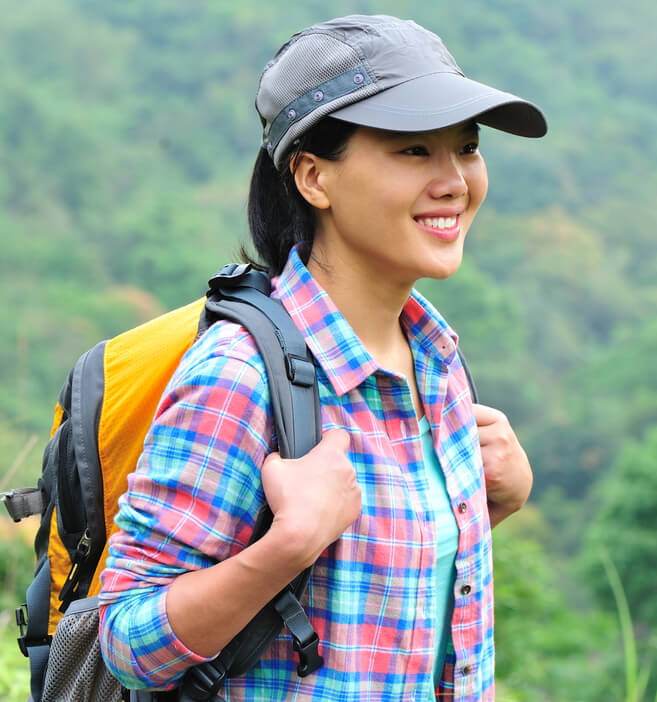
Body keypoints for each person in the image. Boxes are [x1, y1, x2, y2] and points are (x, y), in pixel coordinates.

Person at [98, 14, 545, 701]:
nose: (455, 180)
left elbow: (385, 592)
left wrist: (493, 509)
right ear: (312, 177)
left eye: (467, 148)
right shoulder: (241, 377)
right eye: (414, 152)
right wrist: (286, 547)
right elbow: (126, 642)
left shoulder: (437, 364)